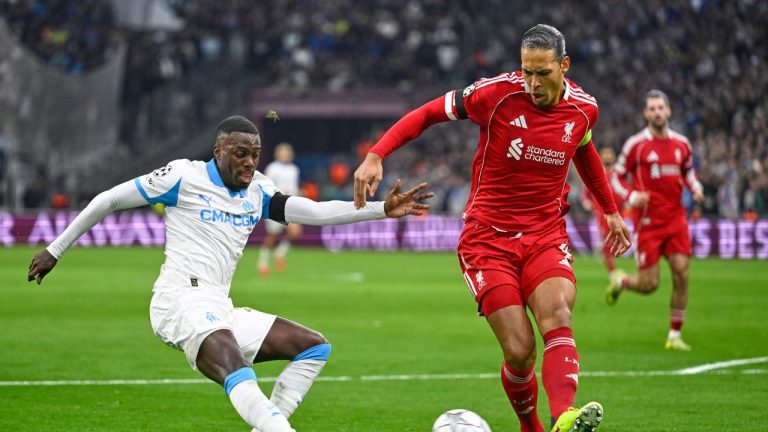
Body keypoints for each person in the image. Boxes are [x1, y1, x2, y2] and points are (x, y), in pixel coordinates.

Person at [27, 116, 432, 432]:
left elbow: (314, 213)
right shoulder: (184, 176)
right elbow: (110, 199)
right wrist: (55, 248)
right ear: (218, 150)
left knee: (314, 347)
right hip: (178, 301)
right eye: (240, 153)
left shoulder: (257, 189)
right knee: (237, 368)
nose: (249, 162)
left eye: (254, 153)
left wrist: (380, 209)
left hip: (218, 304)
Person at [354, 24, 631, 432]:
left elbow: (584, 149)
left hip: (545, 235)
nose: (533, 83)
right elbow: (430, 112)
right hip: (487, 240)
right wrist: (378, 153)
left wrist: (610, 209)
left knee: (557, 313)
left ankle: (563, 418)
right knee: (520, 351)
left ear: (564, 66)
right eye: (527, 72)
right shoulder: (496, 94)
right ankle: (531, 426)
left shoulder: (584, 108)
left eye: (543, 73)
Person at [607, 90, 704, 351]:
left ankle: (674, 336)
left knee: (682, 274)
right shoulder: (636, 145)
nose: (657, 112)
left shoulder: (682, 144)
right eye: (652, 108)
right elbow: (615, 176)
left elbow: (688, 172)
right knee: (650, 284)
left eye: (661, 107)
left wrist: (695, 187)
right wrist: (630, 195)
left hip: (676, 219)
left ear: (669, 111)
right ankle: (623, 281)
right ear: (645, 113)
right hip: (648, 222)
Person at [580, 147, 625, 275]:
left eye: (609, 154)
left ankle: (608, 259)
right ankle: (613, 273)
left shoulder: (618, 175)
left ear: (614, 158)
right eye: (604, 155)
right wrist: (588, 203)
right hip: (603, 214)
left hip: (619, 213)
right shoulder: (597, 174)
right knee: (608, 240)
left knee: (614, 240)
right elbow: (586, 193)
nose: (607, 157)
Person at [259, 142, 302, 276]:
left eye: (287, 152)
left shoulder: (294, 169)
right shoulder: (272, 168)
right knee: (272, 236)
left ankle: (280, 253)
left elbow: (294, 187)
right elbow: (266, 186)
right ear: (277, 154)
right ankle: (263, 262)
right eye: (282, 152)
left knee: (295, 232)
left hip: (290, 205)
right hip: (275, 204)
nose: (285, 154)